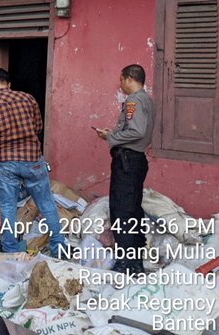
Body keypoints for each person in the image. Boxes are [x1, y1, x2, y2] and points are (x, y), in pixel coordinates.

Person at [0, 68, 65, 256]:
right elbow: (38, 126)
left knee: (7, 207)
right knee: (46, 203)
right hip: (32, 159)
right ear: (8, 84)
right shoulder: (27, 98)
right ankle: (59, 247)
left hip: (6, 161)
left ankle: (10, 249)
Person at [95, 64, 154, 274]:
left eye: (121, 80)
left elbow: (136, 131)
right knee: (133, 210)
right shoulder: (147, 100)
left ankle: (127, 263)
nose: (120, 84)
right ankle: (135, 260)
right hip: (136, 160)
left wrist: (110, 137)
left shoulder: (134, 101)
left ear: (129, 78)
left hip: (127, 161)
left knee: (122, 211)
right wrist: (115, 133)